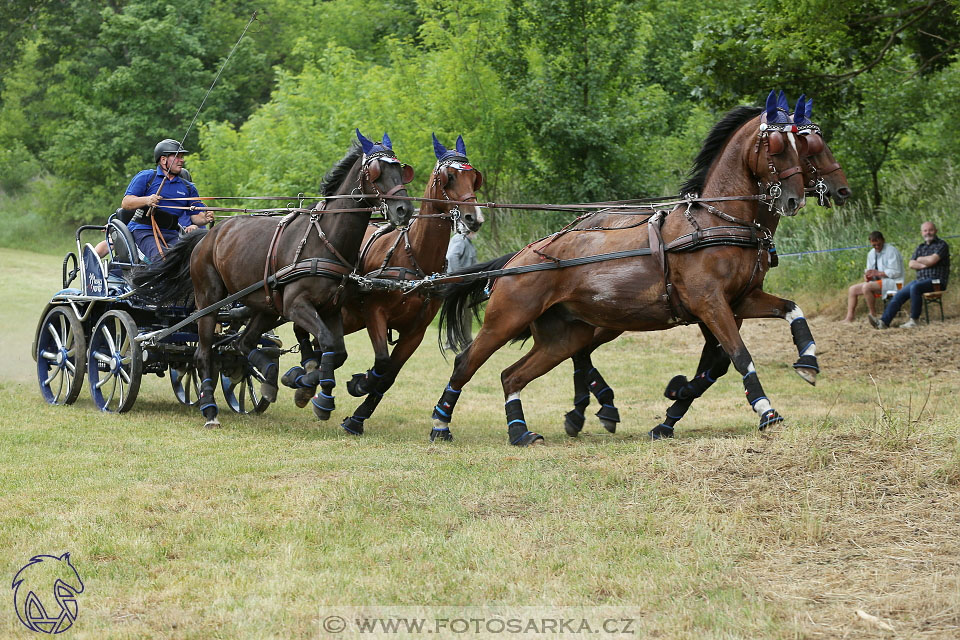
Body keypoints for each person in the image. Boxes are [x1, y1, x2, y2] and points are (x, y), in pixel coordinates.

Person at [122, 139, 213, 261]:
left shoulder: (188, 187)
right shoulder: (147, 177)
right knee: (162, 260)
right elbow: (126, 203)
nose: (182, 160)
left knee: (189, 261)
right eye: (177, 157)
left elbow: (196, 216)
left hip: (172, 233)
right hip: (144, 231)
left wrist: (204, 219)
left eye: (182, 157)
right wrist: (147, 200)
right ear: (163, 159)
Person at [870, 221, 950, 329]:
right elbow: (911, 264)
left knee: (915, 287)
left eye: (930, 230)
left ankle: (914, 320)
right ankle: (883, 322)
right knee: (900, 294)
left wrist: (920, 259)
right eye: (925, 230)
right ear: (922, 233)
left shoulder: (942, 245)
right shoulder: (921, 247)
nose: (928, 233)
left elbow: (932, 260)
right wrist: (926, 264)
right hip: (921, 281)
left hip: (937, 281)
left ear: (936, 231)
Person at [842, 230, 903, 323]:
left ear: (883, 240)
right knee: (852, 289)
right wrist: (868, 276)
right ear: (870, 243)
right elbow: (870, 270)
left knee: (867, 287)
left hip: (894, 282)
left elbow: (896, 272)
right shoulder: (871, 253)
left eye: (879, 244)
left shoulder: (891, 251)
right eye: (874, 245)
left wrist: (878, 273)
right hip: (878, 282)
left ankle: (873, 315)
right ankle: (849, 317)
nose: (877, 247)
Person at [445, 229, 478, 347]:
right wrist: (459, 277)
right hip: (458, 284)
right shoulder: (460, 239)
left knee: (465, 313)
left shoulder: (466, 241)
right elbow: (451, 257)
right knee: (458, 312)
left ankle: (465, 341)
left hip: (464, 284)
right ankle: (454, 341)